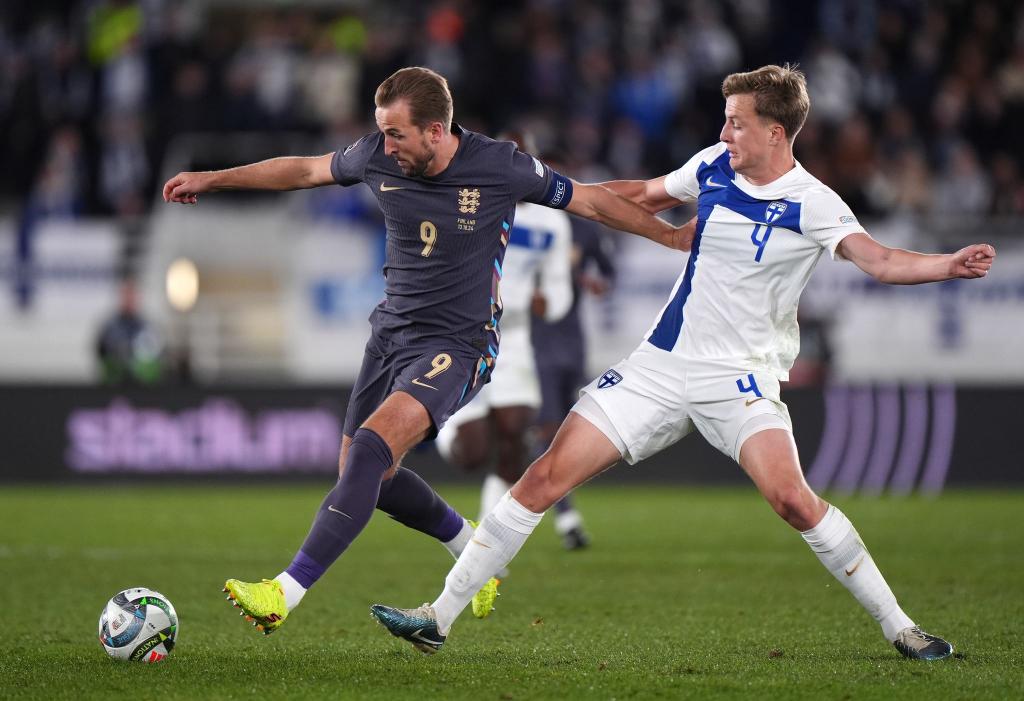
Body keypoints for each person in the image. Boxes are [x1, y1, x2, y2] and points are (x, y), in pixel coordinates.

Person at [370, 64, 996, 660]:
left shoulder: (815, 203)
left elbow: (881, 261)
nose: (725, 134)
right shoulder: (714, 166)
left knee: (793, 501)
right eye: (725, 122)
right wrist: (543, 197)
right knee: (542, 477)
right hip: (659, 367)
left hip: (741, 379)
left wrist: (946, 265)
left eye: (737, 123)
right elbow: (637, 194)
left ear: (776, 134)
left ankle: (902, 628)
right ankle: (438, 618)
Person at [162, 66, 688, 636]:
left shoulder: (500, 165)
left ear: (436, 131)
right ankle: (472, 551)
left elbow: (589, 202)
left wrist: (667, 235)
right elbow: (305, 169)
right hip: (389, 336)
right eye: (382, 133)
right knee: (369, 479)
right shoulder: (376, 157)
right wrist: (213, 179)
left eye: (396, 135)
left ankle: (282, 593)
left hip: (459, 345)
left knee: (369, 453)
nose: (385, 146)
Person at [433, 132, 581, 608]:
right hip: (462, 333)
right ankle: (438, 428)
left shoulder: (552, 225)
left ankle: (484, 545)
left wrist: (550, 304)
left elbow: (559, 289)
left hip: (514, 337)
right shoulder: (466, 203)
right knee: (473, 452)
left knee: (515, 434)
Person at [95, 276, 166, 386]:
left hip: (143, 386)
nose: (129, 299)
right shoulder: (110, 328)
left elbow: (157, 357)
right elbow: (101, 353)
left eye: (132, 295)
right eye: (126, 295)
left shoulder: (148, 327)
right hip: (115, 385)